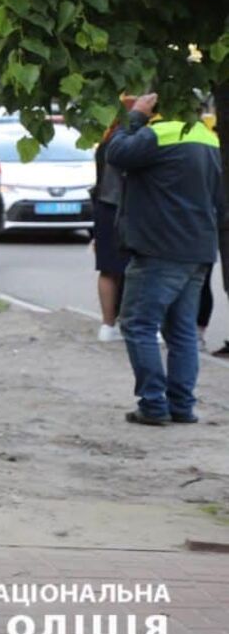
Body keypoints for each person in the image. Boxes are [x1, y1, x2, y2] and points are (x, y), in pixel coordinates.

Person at [107, 92, 223, 426]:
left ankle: (153, 403)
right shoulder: (206, 136)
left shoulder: (159, 133)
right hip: (197, 248)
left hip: (160, 249)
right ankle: (182, 406)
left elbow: (116, 154)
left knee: (137, 324)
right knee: (182, 331)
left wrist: (136, 116)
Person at [93, 97, 134, 342]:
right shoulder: (129, 141)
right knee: (134, 269)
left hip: (104, 208)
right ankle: (131, 323)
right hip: (126, 208)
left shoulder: (106, 140)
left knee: (108, 269)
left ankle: (108, 325)